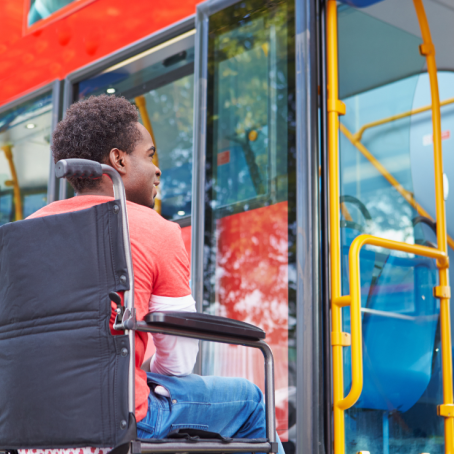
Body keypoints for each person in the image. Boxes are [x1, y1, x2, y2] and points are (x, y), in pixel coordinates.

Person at [20, 95, 283, 454]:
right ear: (118, 160)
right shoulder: (153, 228)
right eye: (150, 155)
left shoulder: (23, 232)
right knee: (251, 401)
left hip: (28, 424)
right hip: (119, 417)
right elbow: (177, 362)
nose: (158, 170)